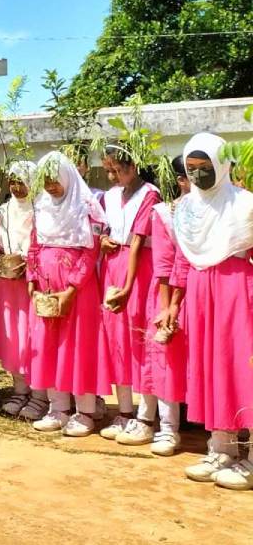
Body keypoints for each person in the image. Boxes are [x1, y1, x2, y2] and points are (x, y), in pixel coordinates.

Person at [172, 133, 253, 490]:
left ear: (222, 165)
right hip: (201, 293)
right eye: (191, 168)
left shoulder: (245, 204)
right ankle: (221, 448)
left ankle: (251, 459)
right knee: (211, 368)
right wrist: (174, 304)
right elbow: (181, 258)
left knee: (241, 369)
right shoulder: (187, 208)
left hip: (238, 290)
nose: (198, 174)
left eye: (205, 167)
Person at [26, 151, 109, 437]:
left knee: (79, 345)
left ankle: (84, 410)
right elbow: (34, 245)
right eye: (46, 181)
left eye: (55, 180)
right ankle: (57, 407)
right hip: (46, 286)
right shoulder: (42, 206)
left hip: (79, 290)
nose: (51, 186)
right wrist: (32, 278)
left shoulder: (86, 207)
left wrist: (72, 287)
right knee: (48, 344)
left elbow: (91, 249)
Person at [98, 143, 161, 441]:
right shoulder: (109, 196)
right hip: (112, 266)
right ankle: (124, 412)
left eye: (117, 170)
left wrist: (127, 286)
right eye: (108, 171)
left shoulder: (149, 194)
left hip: (139, 271)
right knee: (116, 339)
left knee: (140, 337)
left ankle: (146, 416)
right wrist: (102, 241)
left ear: (133, 166)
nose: (112, 177)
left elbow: (137, 241)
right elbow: (101, 228)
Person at [128, 155, 189, 456]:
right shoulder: (164, 213)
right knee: (162, 357)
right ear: (180, 180)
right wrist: (167, 306)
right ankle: (162, 424)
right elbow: (164, 265)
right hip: (168, 292)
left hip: (201, 290)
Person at [0, 161, 42, 419]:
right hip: (8, 284)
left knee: (33, 335)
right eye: (13, 182)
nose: (17, 187)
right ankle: (19, 389)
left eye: (22, 181)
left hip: (32, 284)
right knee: (13, 335)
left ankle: (40, 393)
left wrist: (27, 264)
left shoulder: (42, 211)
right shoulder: (3, 211)